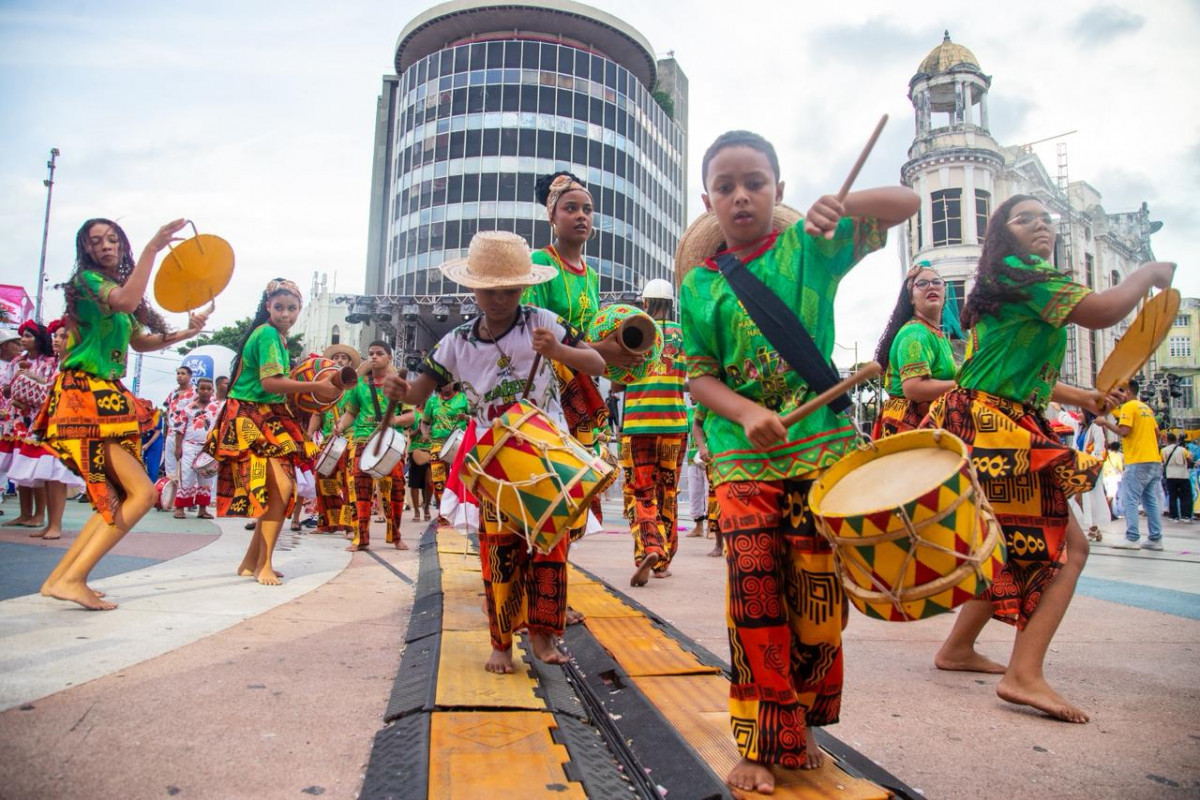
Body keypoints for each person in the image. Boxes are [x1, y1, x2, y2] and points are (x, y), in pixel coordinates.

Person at [679, 129, 918, 792]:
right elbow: (697, 376)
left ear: (778, 191)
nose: (741, 196)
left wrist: (840, 204)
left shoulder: (812, 247)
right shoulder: (699, 289)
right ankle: (760, 740)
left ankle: (803, 720)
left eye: (754, 182)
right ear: (708, 200)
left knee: (818, 604)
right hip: (740, 458)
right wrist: (746, 412)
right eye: (725, 186)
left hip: (821, 454)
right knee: (754, 595)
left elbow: (906, 200)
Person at [924, 194, 1174, 725]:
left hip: (989, 418)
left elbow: (1006, 366)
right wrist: (1147, 271)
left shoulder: (1006, 285)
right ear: (1001, 234)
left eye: (1045, 219)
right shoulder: (1024, 273)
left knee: (1008, 544)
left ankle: (957, 649)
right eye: (1025, 219)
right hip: (995, 426)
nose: (1041, 226)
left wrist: (1081, 397)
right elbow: (1104, 310)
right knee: (1066, 549)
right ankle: (1024, 674)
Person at [383, 230, 605, 674]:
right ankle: (501, 643)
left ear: (523, 287)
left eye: (509, 290)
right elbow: (416, 395)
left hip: (546, 454)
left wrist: (558, 349)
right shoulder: (456, 343)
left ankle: (543, 635)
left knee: (549, 548)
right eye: (490, 290)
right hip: (494, 459)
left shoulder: (543, 321)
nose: (500, 299)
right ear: (474, 289)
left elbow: (597, 364)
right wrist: (398, 389)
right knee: (498, 552)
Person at [36, 218, 209, 609]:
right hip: (85, 395)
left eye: (112, 239)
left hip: (105, 397)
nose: (106, 246)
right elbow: (128, 302)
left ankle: (59, 579)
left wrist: (188, 332)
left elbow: (142, 342)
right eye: (96, 241)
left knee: (114, 496)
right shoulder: (88, 283)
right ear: (86, 250)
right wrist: (153, 248)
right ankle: (74, 578)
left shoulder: (114, 290)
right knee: (143, 493)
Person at [205, 278, 316, 585]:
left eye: (292, 309)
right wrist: (315, 386)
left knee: (279, 489)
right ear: (268, 307)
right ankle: (262, 563)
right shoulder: (268, 334)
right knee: (280, 489)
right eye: (279, 307)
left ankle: (251, 561)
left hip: (263, 415)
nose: (286, 314)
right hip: (252, 417)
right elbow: (270, 384)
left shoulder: (275, 337)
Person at [619, 278, 689, 586]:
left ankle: (650, 548)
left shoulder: (633, 332)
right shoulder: (682, 336)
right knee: (668, 491)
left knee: (641, 491)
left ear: (645, 303)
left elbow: (618, 381)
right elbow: (690, 377)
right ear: (671, 303)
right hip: (674, 425)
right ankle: (664, 564)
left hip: (638, 425)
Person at [333, 341, 414, 551]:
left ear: (389, 357)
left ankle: (395, 536)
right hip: (362, 441)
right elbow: (351, 413)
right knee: (359, 492)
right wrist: (340, 426)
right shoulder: (359, 385)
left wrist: (394, 420)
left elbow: (412, 416)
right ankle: (361, 538)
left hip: (390, 443)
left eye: (379, 353)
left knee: (395, 491)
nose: (374, 357)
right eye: (371, 353)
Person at [8, 320, 85, 540]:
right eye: (56, 337)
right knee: (48, 476)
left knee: (56, 476)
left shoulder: (74, 364)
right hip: (44, 423)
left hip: (62, 427)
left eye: (62, 336)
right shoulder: (58, 364)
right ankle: (50, 523)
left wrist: (34, 382)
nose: (57, 340)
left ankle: (55, 525)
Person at [872, 262, 957, 438]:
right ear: (911, 297)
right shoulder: (915, 333)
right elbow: (913, 388)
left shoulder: (935, 334)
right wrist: (963, 387)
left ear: (944, 291)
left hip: (929, 425)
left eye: (937, 282)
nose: (931, 286)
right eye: (922, 284)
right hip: (910, 427)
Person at [1097, 379, 1164, 549]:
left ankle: (1132, 537)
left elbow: (1123, 431)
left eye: (1120, 392)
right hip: (1153, 460)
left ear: (1127, 392)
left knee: (1130, 498)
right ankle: (1156, 539)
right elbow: (1157, 434)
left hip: (1137, 460)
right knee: (1150, 500)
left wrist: (1105, 422)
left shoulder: (1128, 407)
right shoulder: (1146, 408)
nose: (1118, 396)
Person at [311, 344, 359, 535]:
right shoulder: (323, 384)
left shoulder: (356, 387)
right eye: (336, 357)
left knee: (349, 483)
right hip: (327, 440)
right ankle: (327, 523)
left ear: (349, 363)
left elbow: (357, 412)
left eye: (343, 358)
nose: (339, 360)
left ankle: (349, 525)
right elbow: (317, 413)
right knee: (322, 480)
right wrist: (309, 434)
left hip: (349, 438)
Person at [171, 377, 220, 519]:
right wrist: (178, 448)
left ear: (212, 391)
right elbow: (179, 430)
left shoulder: (217, 408)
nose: (205, 391)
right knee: (187, 477)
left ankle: (203, 510)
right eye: (202, 388)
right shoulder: (187, 408)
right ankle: (180, 508)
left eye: (209, 389)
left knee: (206, 478)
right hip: (189, 446)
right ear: (197, 390)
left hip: (209, 448)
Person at [424, 381, 469, 518]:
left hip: (458, 444)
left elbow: (476, 418)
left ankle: (460, 511)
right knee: (438, 480)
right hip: (437, 444)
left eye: (449, 382)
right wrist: (425, 433)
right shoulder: (432, 401)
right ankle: (444, 512)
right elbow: (424, 422)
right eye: (444, 382)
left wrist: (466, 417)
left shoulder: (463, 398)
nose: (446, 385)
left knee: (459, 478)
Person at [1073, 411, 1110, 541]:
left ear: (1087, 415)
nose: (1078, 415)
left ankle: (1093, 529)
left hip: (1090, 467)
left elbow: (1099, 449)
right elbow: (1067, 420)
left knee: (1089, 499)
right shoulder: (1080, 428)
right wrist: (1059, 409)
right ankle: (1094, 529)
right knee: (1078, 499)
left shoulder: (1096, 428)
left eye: (1080, 413)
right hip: (1079, 467)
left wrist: (1091, 464)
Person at [162, 365, 195, 483]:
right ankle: (170, 497)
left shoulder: (195, 393)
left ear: (190, 376)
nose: (180, 376)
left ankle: (186, 496)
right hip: (171, 433)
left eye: (183, 373)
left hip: (186, 435)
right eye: (178, 373)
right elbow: (167, 410)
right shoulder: (173, 392)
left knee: (187, 468)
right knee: (170, 466)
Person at [1161, 432, 1194, 523]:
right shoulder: (1183, 450)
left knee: (1172, 496)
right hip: (1183, 476)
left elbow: (1162, 462)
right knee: (1185, 496)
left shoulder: (1163, 450)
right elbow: (1189, 461)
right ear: (1176, 440)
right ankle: (1186, 516)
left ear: (1167, 441)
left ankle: (1173, 516)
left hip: (1170, 476)